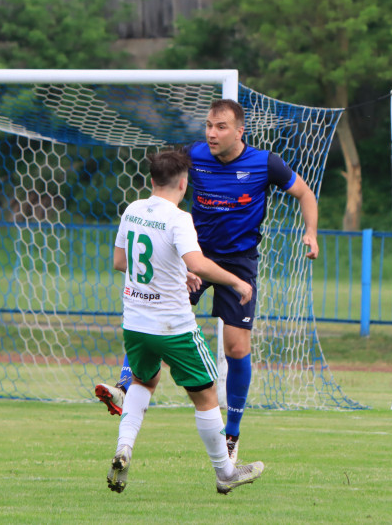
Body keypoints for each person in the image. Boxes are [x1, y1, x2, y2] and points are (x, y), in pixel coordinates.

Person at [97, 98, 319, 462]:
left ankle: (232, 434)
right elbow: (165, 183)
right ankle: (123, 386)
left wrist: (311, 232)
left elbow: (304, 193)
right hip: (192, 257)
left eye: (220, 127)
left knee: (236, 348)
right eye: (208, 126)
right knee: (156, 315)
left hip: (239, 261)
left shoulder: (265, 163)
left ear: (239, 131)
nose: (211, 134)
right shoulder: (193, 155)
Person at [106, 149, 265, 494]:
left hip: (135, 324)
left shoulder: (133, 210)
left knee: (143, 382)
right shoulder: (179, 219)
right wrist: (235, 281)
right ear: (183, 182)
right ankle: (226, 472)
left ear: (151, 181)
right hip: (173, 327)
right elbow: (199, 262)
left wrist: (181, 274)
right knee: (206, 395)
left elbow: (121, 261)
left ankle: (124, 448)